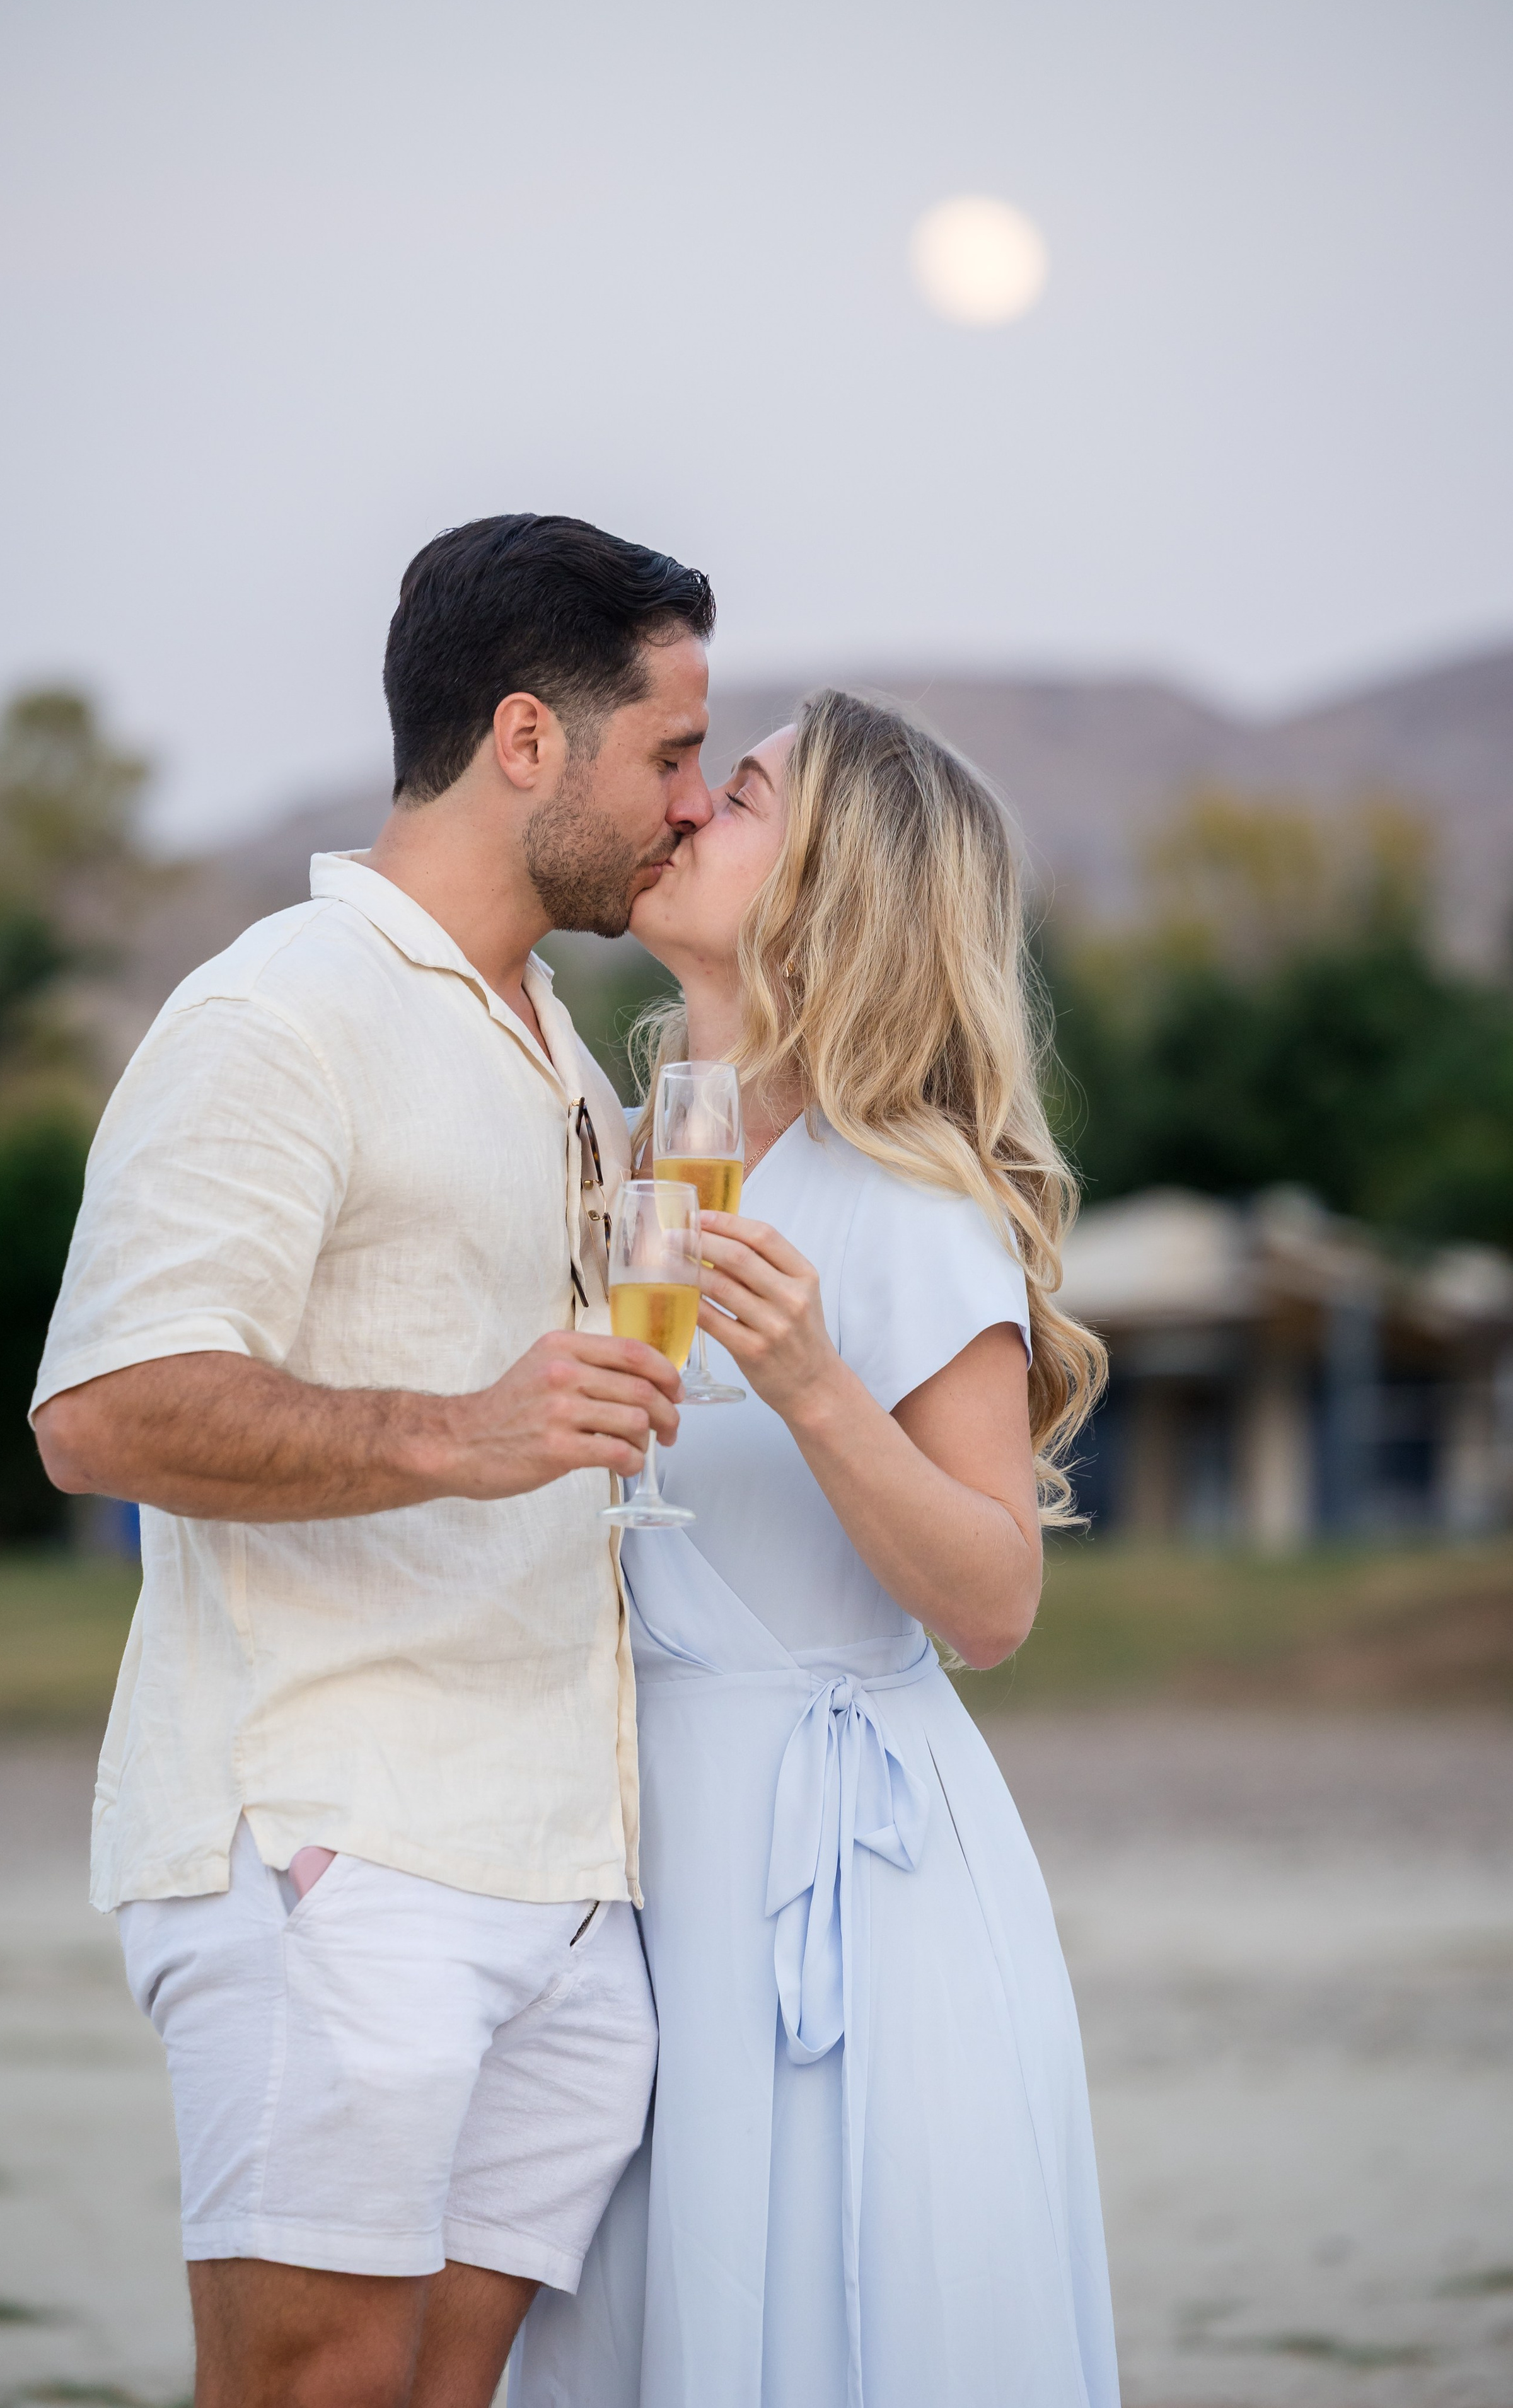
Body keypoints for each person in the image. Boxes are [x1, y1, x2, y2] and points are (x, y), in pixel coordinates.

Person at [30, 513, 717, 2408]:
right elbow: (102, 1408)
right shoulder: (279, 1011)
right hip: (339, 1836)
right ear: (525, 739)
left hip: (565, 1874)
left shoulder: (565, 1050)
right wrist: (458, 1430)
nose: (689, 803)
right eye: (668, 751)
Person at [513, 690, 1120, 2408]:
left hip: (852, 1875)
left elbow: (997, 1594)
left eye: (748, 791)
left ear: (836, 886)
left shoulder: (909, 1204)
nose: (692, 807)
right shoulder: (645, 1157)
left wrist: (812, 1386)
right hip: (650, 1872)